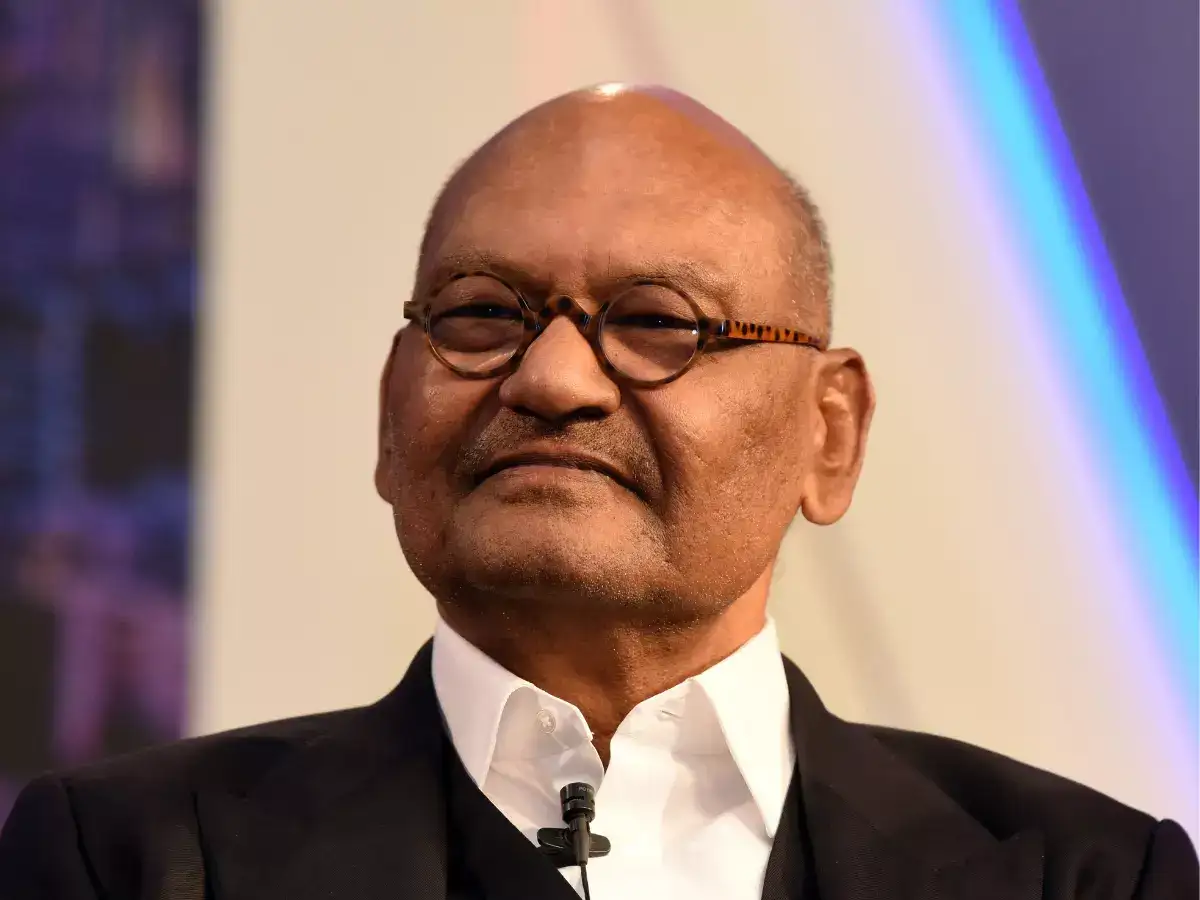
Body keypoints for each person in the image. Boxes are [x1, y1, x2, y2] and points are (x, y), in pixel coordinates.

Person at [0, 85, 1194, 900]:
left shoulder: (1079, 875)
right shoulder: (133, 862)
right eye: (481, 313)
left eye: (658, 322)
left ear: (829, 434)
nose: (553, 378)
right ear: (390, 413)